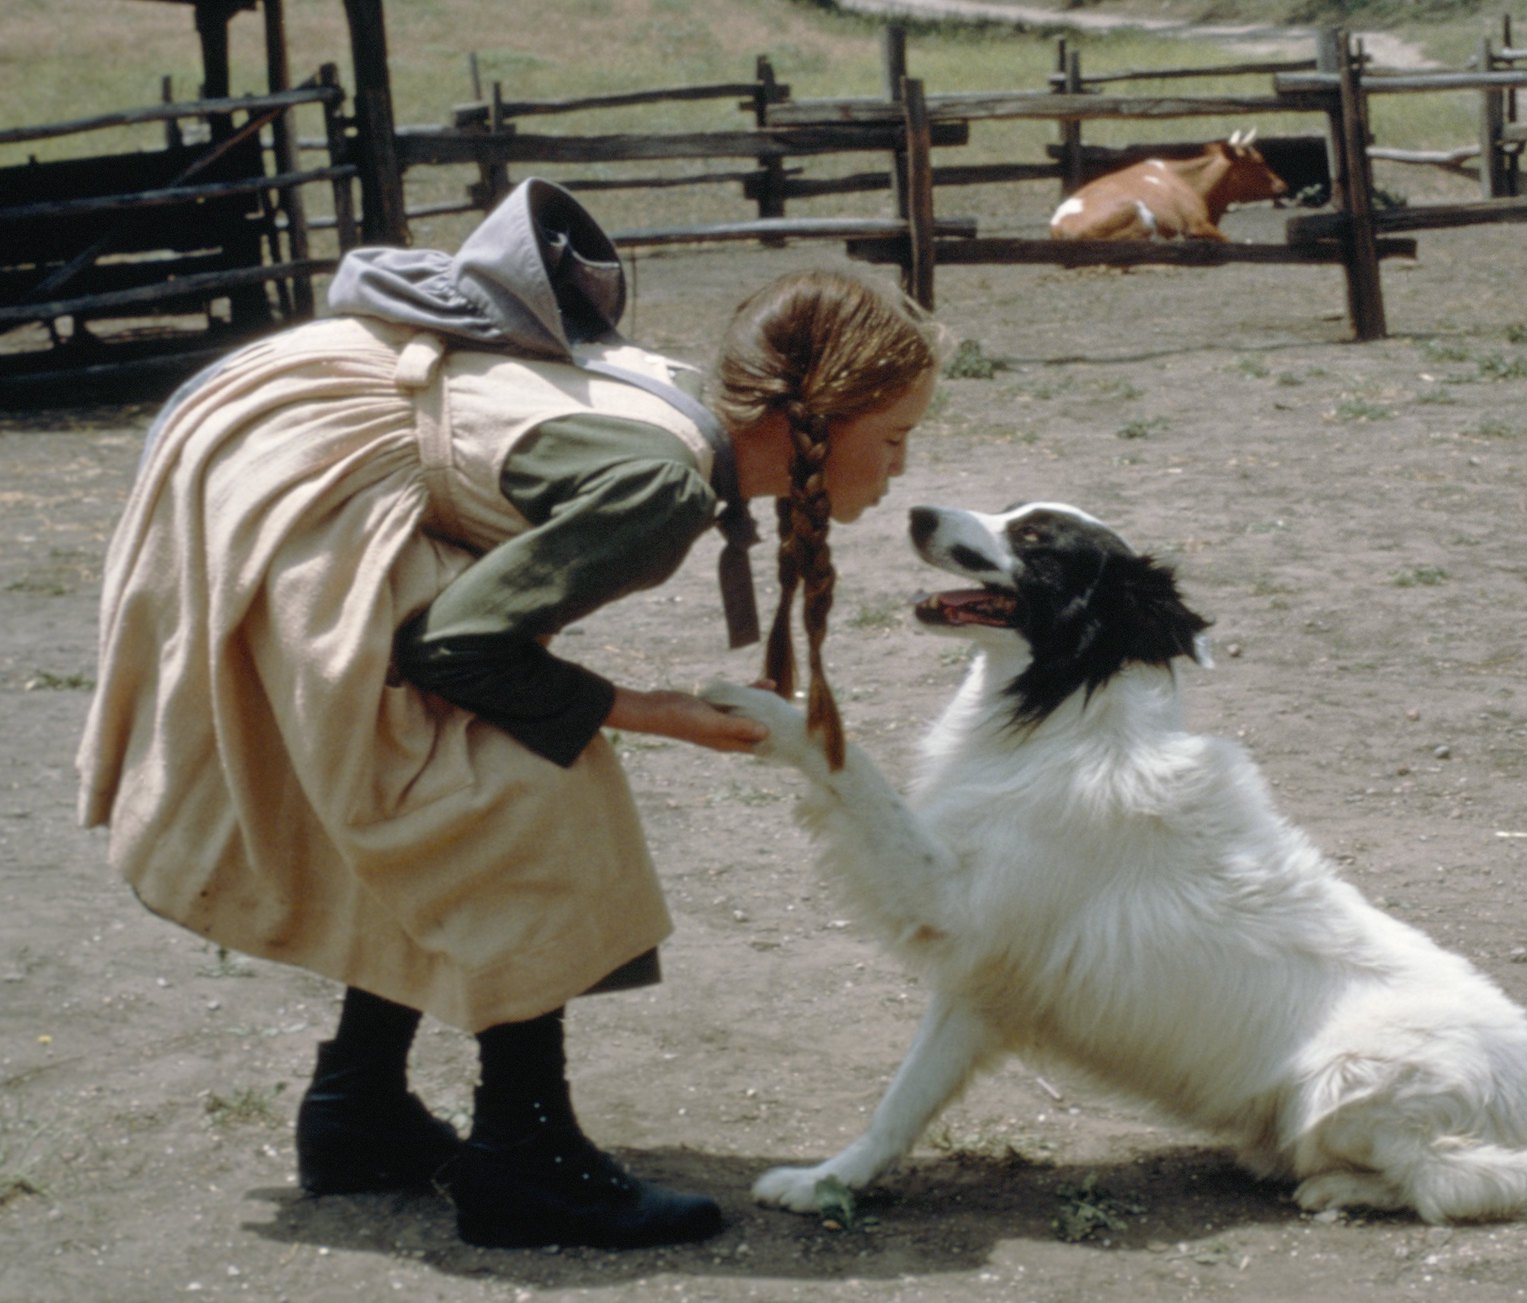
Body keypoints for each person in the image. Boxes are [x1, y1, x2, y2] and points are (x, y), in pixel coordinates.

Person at [74, 179, 940, 1249]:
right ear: (816, 422)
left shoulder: (686, 417)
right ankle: (525, 1161)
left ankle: (358, 1111)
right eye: (893, 437)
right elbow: (453, 647)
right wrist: (654, 710)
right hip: (311, 498)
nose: (901, 469)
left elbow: (483, 612)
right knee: (522, 792)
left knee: (447, 775)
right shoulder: (664, 490)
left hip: (343, 474)